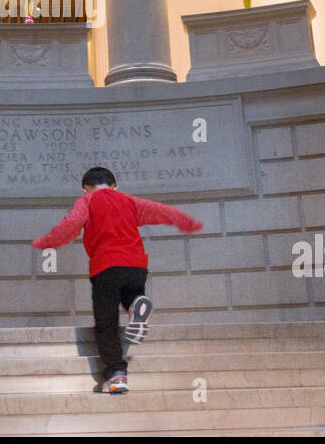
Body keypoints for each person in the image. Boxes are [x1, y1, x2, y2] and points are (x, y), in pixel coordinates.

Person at [31, 166, 203, 394]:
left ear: (85, 190)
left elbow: (71, 224)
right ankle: (136, 305)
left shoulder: (87, 201)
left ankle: (116, 374)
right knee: (131, 294)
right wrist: (188, 223)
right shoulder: (128, 200)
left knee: (107, 322)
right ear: (115, 187)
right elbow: (161, 211)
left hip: (106, 266)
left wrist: (46, 242)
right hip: (136, 265)